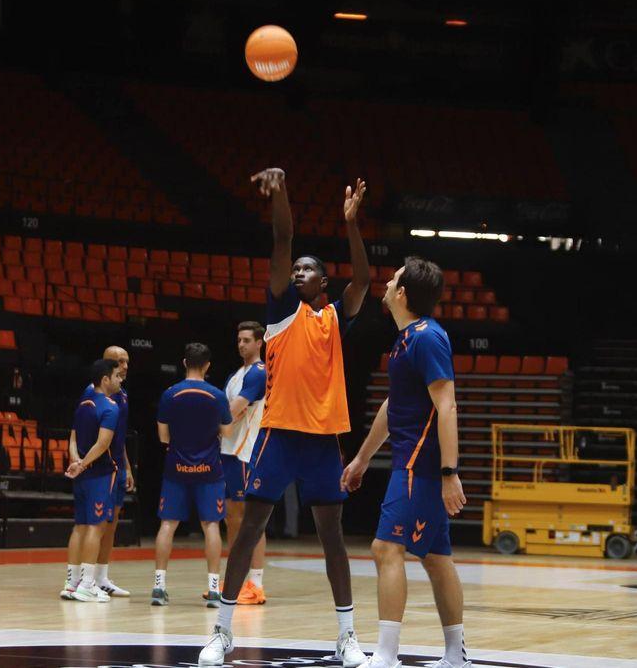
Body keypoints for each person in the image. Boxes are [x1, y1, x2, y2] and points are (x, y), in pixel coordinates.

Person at [199, 168, 370, 667]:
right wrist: (284, 192)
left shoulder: (337, 316)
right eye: (294, 269)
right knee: (248, 529)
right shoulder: (279, 312)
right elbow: (282, 235)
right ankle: (222, 632)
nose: (297, 272)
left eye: (307, 269)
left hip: (322, 440)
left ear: (324, 280)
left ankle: (347, 636)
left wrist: (352, 224)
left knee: (332, 538)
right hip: (277, 435)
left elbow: (362, 279)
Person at [341, 257, 470, 668]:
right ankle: (455, 656)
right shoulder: (404, 339)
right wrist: (362, 458)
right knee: (436, 557)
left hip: (420, 465)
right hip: (411, 462)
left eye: (393, 278)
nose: (387, 282)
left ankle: (386, 654)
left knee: (385, 548)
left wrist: (449, 473)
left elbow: (446, 405)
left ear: (403, 294)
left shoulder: (427, 337)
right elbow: (393, 406)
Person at [152, 343, 233, 607]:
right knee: (211, 525)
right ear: (207, 365)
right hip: (209, 470)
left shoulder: (169, 394)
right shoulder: (217, 396)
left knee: (168, 525)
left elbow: (163, 436)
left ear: (184, 363)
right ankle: (213, 590)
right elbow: (228, 432)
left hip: (176, 468)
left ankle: (159, 586)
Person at [60, 359, 123, 602]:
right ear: (105, 379)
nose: (120, 380)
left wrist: (76, 462)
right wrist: (84, 464)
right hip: (99, 474)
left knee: (80, 526)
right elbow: (103, 443)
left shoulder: (82, 405)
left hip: (82, 474)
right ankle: (87, 583)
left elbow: (73, 439)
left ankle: (71, 582)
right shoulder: (110, 407)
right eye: (117, 376)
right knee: (96, 528)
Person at [221, 321, 268, 604]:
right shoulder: (236, 374)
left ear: (259, 342)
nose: (241, 345)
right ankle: (237, 580)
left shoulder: (259, 373)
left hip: (245, 453)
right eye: (239, 340)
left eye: (247, 340)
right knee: (232, 518)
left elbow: (230, 412)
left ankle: (256, 583)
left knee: (253, 520)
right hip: (228, 450)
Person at [84, 346, 135, 598]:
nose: (124, 366)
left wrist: (126, 466)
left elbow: (119, 436)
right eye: (119, 361)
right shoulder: (93, 394)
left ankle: (102, 577)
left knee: (111, 524)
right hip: (100, 469)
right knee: (96, 524)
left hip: (117, 467)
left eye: (127, 361)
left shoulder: (122, 394)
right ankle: (85, 579)